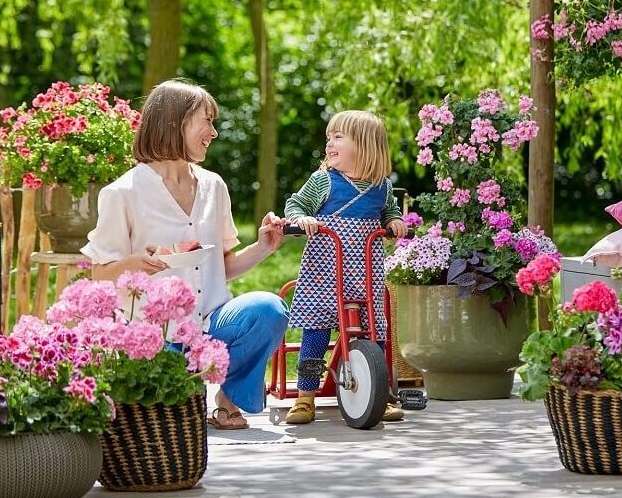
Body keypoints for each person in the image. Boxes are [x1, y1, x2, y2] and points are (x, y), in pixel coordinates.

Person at [81, 79, 289, 430]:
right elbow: (99, 275)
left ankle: (227, 399)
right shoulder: (122, 193)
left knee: (269, 309)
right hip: (156, 335)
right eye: (206, 121)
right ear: (175, 123)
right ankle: (182, 396)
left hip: (212, 321)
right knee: (168, 404)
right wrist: (134, 266)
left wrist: (263, 247)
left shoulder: (213, 186)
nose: (214, 132)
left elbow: (221, 267)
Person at [282, 110, 408, 425]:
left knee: (374, 331)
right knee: (316, 333)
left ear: (365, 146)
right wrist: (302, 219)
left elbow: (388, 209)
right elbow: (295, 205)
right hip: (324, 272)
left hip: (364, 273)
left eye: (338, 137)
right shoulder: (323, 180)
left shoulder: (381, 186)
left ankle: (376, 393)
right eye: (329, 138)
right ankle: (305, 397)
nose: (330, 144)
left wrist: (393, 220)